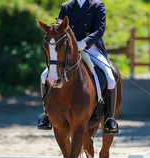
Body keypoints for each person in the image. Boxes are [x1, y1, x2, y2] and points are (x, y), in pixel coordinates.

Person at [38, 0, 118, 134]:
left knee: (110, 77)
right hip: (67, 48)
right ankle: (46, 114)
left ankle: (109, 118)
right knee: (43, 76)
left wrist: (84, 42)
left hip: (91, 47)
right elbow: (59, 27)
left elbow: (99, 30)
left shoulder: (97, 5)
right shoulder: (66, 6)